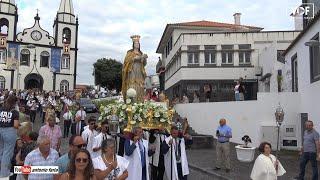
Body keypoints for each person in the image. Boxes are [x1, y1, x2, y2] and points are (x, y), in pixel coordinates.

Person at [122, 35, 148, 102]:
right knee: (132, 84)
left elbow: (144, 64)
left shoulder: (140, 53)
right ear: (133, 45)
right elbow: (127, 61)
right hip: (132, 69)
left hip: (139, 70)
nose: (137, 45)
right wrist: (136, 58)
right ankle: (131, 100)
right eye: (136, 44)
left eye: (138, 44)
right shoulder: (130, 53)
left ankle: (139, 100)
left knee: (140, 85)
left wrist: (144, 58)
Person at [0, 95, 20, 178]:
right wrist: (19, 125)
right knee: (7, 153)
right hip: (10, 131)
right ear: (14, 102)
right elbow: (15, 125)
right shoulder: (15, 112)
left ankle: (3, 169)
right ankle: (4, 173)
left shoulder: (1, 109)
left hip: (1, 129)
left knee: (1, 151)